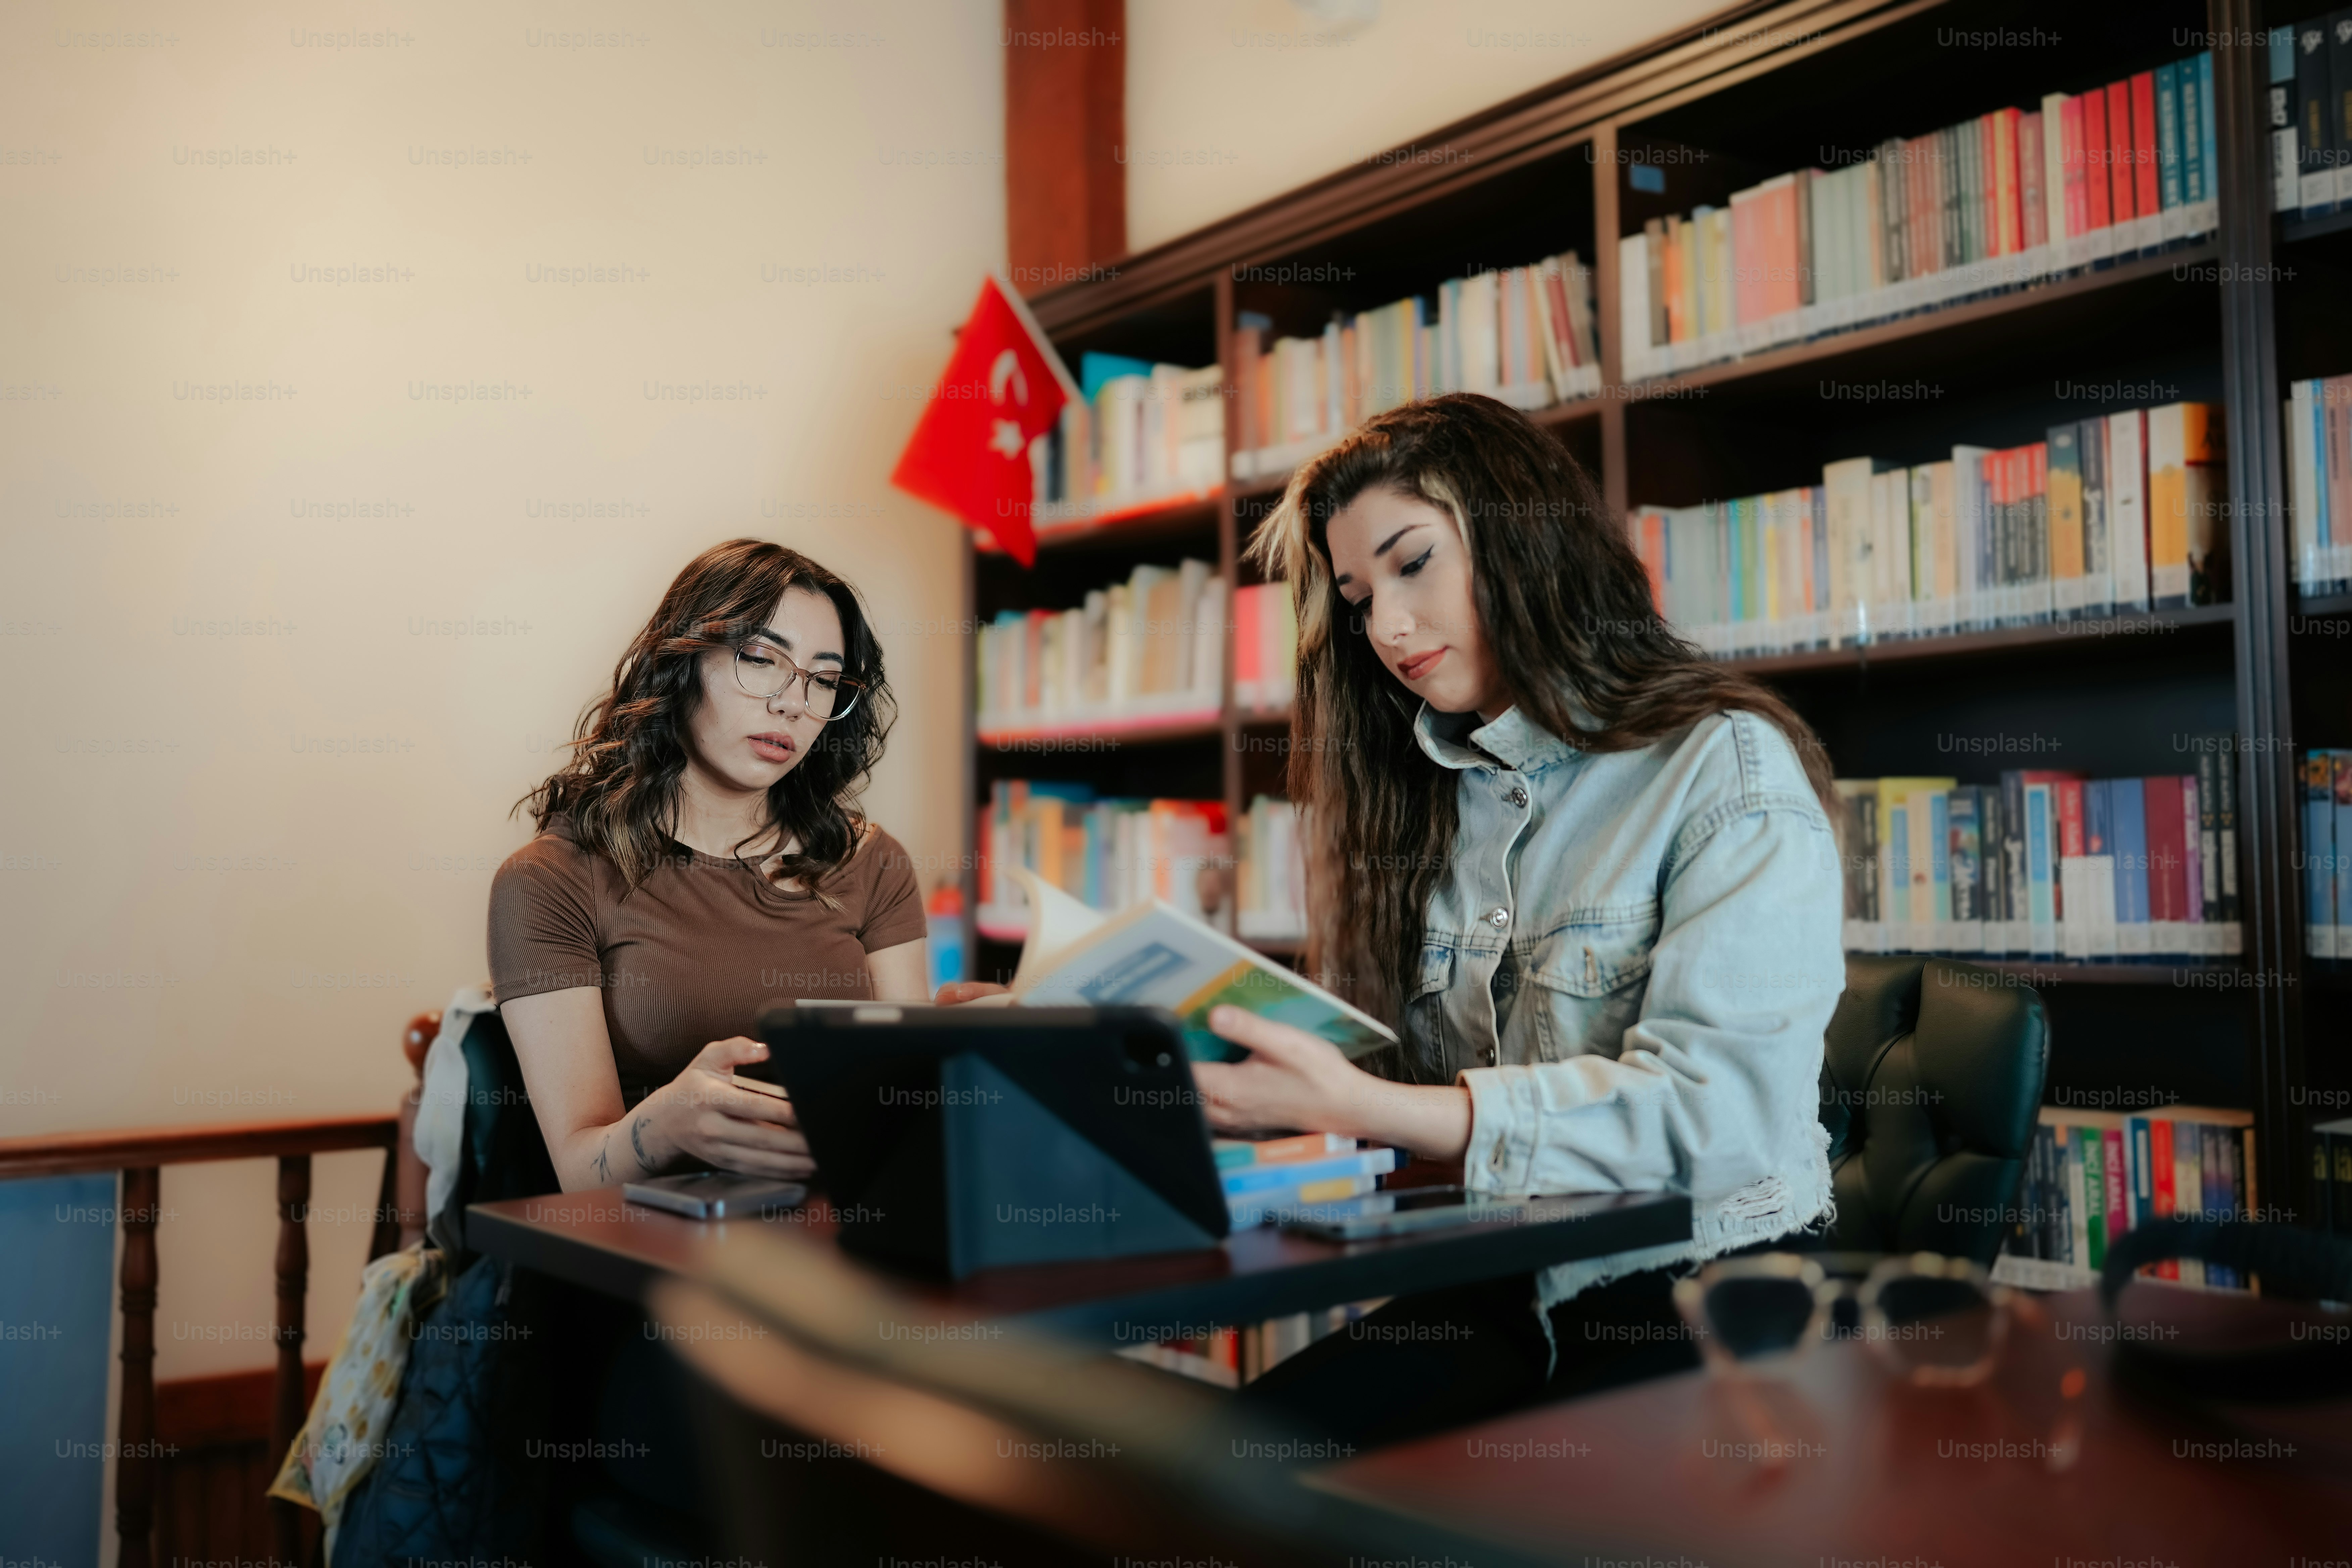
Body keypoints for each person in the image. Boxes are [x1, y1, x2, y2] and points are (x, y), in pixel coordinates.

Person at [1194, 394, 1847, 1444]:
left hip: (1696, 1300)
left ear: (1522, 537)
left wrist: (1386, 1109)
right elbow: (1404, 1109)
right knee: (1219, 1475)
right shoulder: (1429, 795)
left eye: (1413, 564)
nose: (1386, 627)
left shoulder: (1722, 768)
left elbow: (1717, 1121)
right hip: (1496, 1281)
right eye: (1358, 597)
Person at [491, 538, 929, 1192]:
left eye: (824, 678)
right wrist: (669, 1123)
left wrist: (972, 1053)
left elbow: (907, 1115)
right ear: (683, 660)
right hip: (639, 1254)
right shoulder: (550, 879)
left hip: (841, 1235)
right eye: (761, 659)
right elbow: (582, 1171)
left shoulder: (873, 861)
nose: (793, 703)